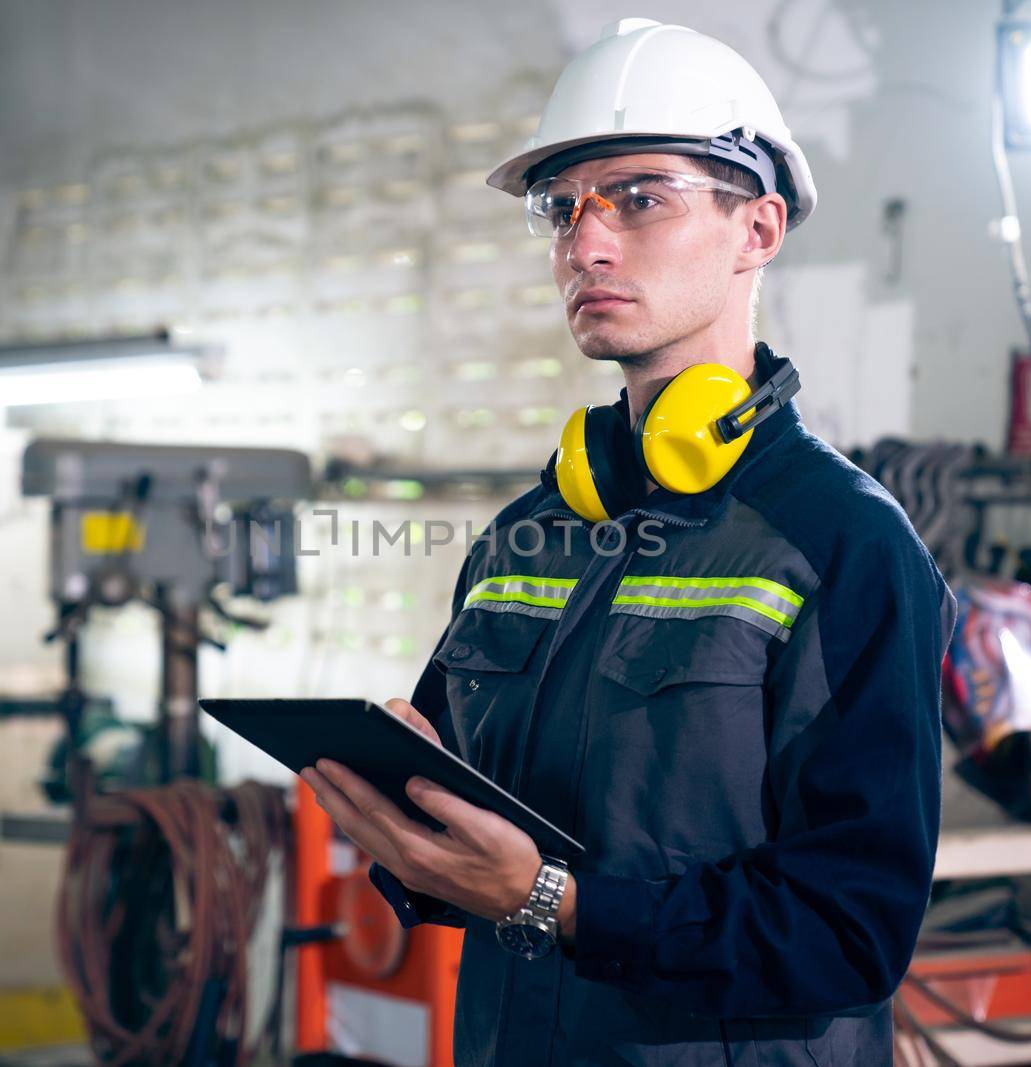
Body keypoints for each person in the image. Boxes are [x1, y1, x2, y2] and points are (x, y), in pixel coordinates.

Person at [299, 18, 956, 1066]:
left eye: (641, 198)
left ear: (758, 229)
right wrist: (405, 825)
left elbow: (851, 931)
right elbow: (468, 844)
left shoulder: (843, 541)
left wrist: (554, 902)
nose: (585, 244)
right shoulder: (528, 535)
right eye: (561, 209)